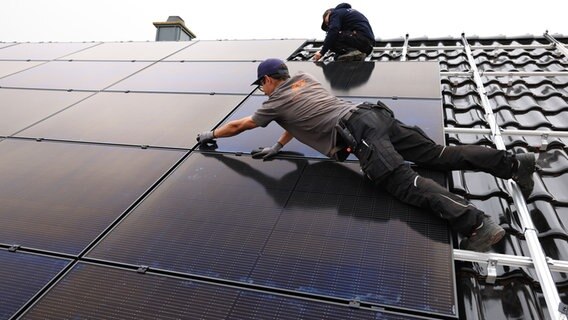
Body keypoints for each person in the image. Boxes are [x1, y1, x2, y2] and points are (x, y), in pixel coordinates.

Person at [197, 58, 537, 253]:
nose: (262, 92)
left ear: (269, 80)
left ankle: (477, 223)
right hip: (374, 114)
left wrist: (210, 134)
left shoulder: (274, 101)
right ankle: (515, 164)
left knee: (402, 181)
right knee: (440, 153)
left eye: (261, 86)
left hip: (358, 132)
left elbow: (241, 125)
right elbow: (298, 117)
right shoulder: (304, 80)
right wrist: (280, 145)